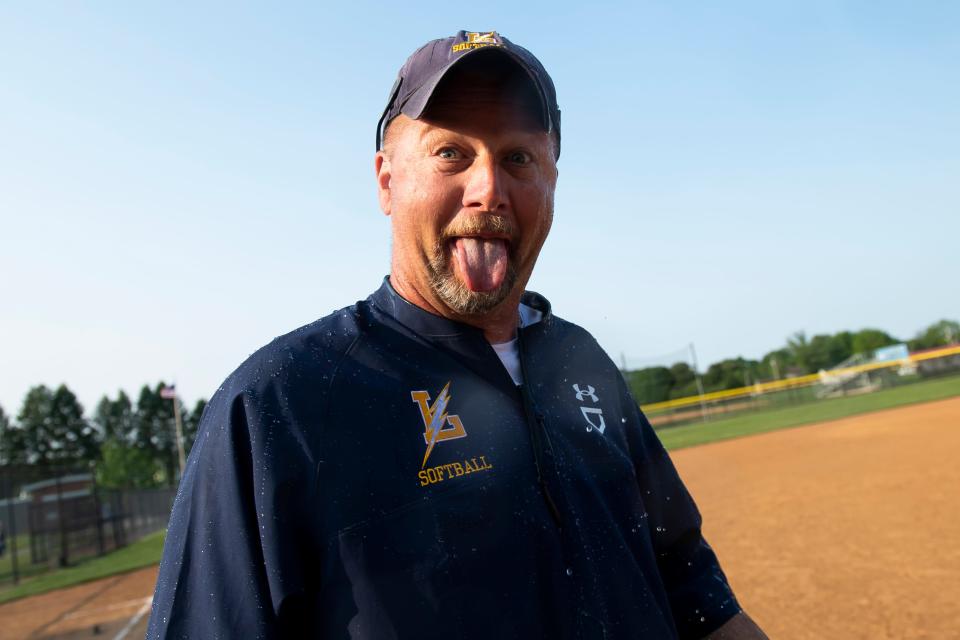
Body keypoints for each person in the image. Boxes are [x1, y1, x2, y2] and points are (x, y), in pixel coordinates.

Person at [147, 30, 768, 639]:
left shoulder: (581, 362)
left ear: (553, 181)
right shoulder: (281, 402)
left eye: (519, 157)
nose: (489, 189)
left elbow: (695, 594)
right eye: (451, 153)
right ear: (387, 180)